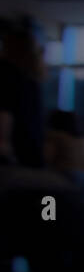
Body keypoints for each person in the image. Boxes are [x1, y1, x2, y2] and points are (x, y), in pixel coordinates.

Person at [0, 17, 46, 168]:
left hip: (17, 154)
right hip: (30, 153)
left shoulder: (8, 73)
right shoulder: (30, 79)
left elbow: (5, 112)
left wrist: (4, 146)